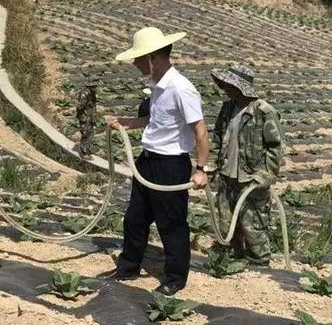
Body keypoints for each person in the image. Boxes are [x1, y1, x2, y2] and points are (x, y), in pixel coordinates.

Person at [104, 27, 210, 296]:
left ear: (153, 57)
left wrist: (200, 169)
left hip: (171, 165)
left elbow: (200, 131)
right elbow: (157, 121)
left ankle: (175, 278)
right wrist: (129, 123)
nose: (135, 63)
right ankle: (128, 267)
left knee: (171, 223)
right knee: (135, 218)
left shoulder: (181, 88)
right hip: (148, 162)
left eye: (138, 58)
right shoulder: (157, 86)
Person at [211, 65, 285, 266]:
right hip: (227, 174)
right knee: (225, 220)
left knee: (252, 222)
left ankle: (259, 262)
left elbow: (275, 147)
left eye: (229, 85)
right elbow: (217, 137)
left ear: (240, 87)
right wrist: (212, 166)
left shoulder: (264, 112)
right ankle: (231, 256)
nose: (226, 89)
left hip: (251, 177)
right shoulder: (227, 108)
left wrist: (265, 175)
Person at [76, 84, 97, 158]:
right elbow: (80, 106)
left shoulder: (91, 92)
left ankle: (87, 149)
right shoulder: (84, 93)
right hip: (85, 117)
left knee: (90, 133)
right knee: (85, 133)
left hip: (90, 116)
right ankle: (83, 152)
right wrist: (82, 115)